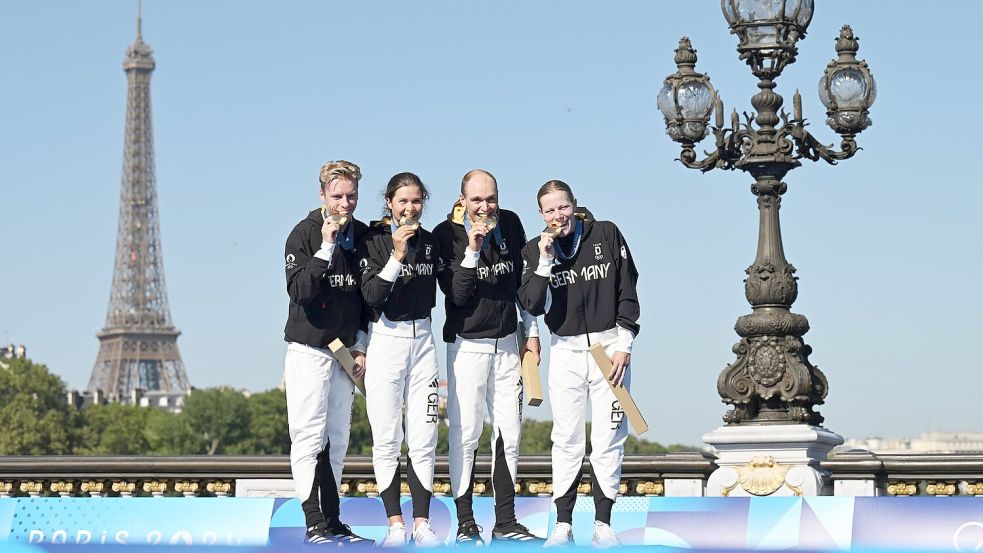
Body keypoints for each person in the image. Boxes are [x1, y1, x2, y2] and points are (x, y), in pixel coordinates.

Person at [518, 180, 640, 549]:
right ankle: (563, 524)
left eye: (563, 207)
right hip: (566, 351)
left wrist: (625, 343)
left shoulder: (606, 233)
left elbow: (628, 289)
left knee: (608, 438)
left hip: (609, 348)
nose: (558, 216)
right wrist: (543, 260)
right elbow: (531, 303)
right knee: (566, 439)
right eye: (550, 210)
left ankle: (603, 523)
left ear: (574, 205)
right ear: (542, 215)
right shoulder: (533, 251)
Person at [432, 169, 544, 545]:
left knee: (509, 435)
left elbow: (523, 285)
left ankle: (506, 522)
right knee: (465, 434)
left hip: (508, 345)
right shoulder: (444, 235)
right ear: (462, 200)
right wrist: (473, 248)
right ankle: (465, 523)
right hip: (467, 346)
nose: (485, 207)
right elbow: (457, 295)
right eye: (477, 200)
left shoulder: (510, 223)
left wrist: (531, 332)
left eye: (491, 198)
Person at [282, 160, 372, 545]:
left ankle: (333, 520)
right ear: (322, 195)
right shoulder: (302, 234)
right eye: (337, 196)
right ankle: (313, 519)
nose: (345, 203)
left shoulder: (365, 237)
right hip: (309, 349)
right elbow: (300, 291)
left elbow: (369, 299)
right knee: (308, 436)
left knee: (338, 439)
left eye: (351, 195)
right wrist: (326, 247)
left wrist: (362, 346)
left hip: (345, 353)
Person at [358, 172, 442, 548]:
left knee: (424, 437)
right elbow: (372, 295)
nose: (410, 209)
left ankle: (422, 523)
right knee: (387, 438)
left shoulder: (432, 241)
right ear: (389, 202)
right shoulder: (373, 241)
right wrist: (396, 255)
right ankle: (395, 524)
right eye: (403, 201)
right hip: (386, 342)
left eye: (417, 201)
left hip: (423, 339)